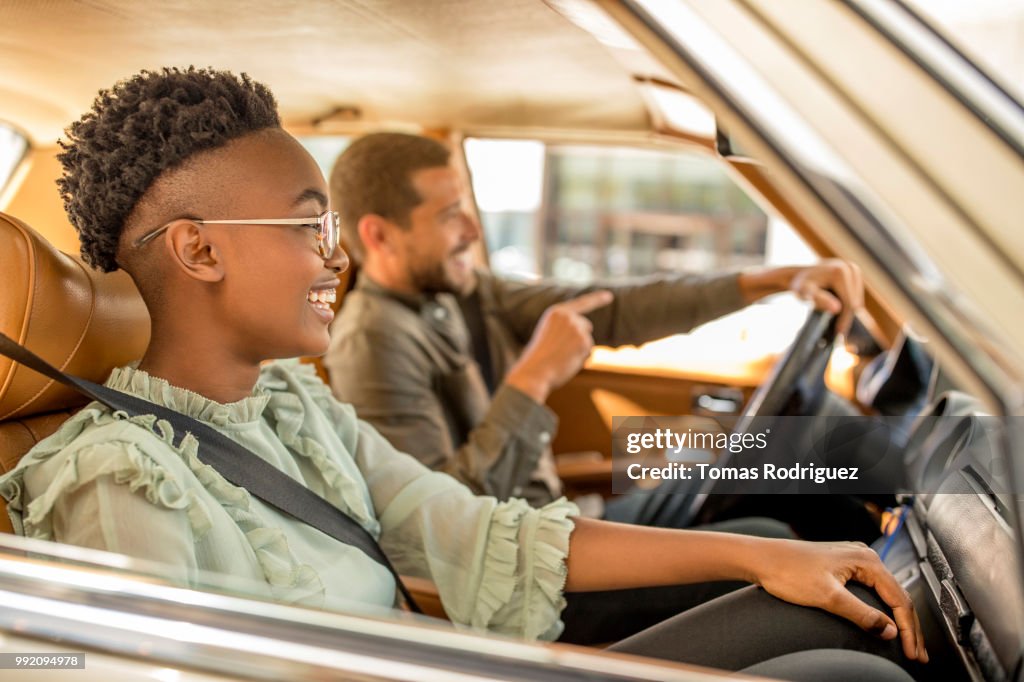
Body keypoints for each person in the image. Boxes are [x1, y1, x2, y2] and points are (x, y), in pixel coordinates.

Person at [0, 68, 924, 680]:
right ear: (199, 250)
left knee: (808, 584)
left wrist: (761, 553)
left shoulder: (294, 404)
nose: (334, 263)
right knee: (835, 653)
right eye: (307, 228)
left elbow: (471, 523)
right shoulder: (116, 479)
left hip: (458, 648)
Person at [323, 132, 864, 528]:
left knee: (781, 477)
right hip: (533, 571)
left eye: (466, 208)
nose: (470, 230)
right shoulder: (371, 342)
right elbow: (444, 520)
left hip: (565, 521)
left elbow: (614, 307)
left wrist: (774, 280)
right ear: (379, 235)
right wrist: (532, 380)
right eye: (449, 216)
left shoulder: (464, 293)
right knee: (768, 529)